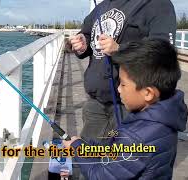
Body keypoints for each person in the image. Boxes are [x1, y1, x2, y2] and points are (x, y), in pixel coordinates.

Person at [63, 39, 188, 179]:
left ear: (148, 93)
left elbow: (99, 176)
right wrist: (84, 145)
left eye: (123, 84)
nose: (118, 89)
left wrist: (76, 148)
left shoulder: (135, 137)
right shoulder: (167, 116)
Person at [69, 0, 177, 139]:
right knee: (88, 156)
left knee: (125, 158)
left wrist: (120, 49)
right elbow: (87, 34)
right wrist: (82, 44)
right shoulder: (101, 7)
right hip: (95, 104)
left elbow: (164, 50)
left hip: (132, 107)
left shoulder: (158, 4)